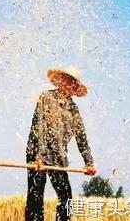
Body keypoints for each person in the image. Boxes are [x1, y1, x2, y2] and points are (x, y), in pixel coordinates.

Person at [25, 66, 97, 221]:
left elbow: (82, 138)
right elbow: (39, 127)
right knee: (35, 196)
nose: (67, 83)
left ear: (74, 87)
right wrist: (38, 157)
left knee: (66, 198)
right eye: (65, 79)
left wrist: (89, 162)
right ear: (60, 80)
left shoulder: (73, 110)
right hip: (37, 153)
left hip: (58, 157)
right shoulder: (46, 97)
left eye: (71, 81)